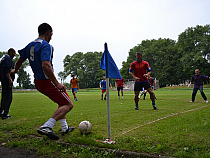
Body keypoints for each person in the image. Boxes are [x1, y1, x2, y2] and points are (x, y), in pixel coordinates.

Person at [11, 23, 74, 140]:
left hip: (38, 82)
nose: (51, 37)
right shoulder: (46, 46)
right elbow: (46, 65)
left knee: (62, 102)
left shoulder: (30, 45)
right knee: (68, 104)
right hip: (47, 81)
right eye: (51, 34)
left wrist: (16, 70)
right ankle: (46, 126)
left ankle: (65, 128)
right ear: (48, 32)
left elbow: (19, 60)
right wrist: (57, 83)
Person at [0, 48, 16, 119]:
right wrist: (10, 79)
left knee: (4, 96)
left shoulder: (3, 58)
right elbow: (7, 70)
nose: (14, 55)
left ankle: (1, 112)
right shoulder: (8, 59)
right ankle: (5, 114)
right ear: (11, 52)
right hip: (7, 81)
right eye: (14, 53)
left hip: (3, 80)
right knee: (8, 97)